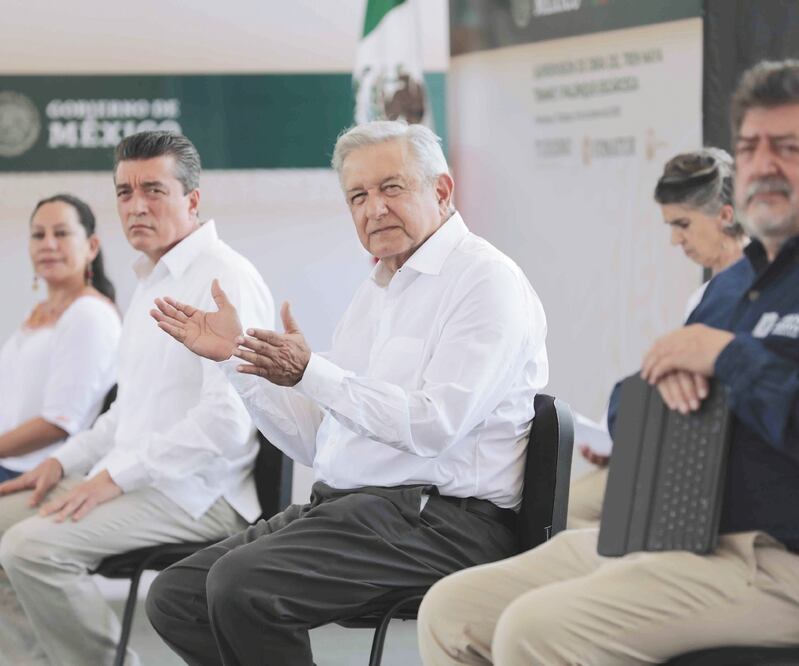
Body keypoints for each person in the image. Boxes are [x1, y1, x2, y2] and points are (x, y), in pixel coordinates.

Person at [418, 59, 799, 665]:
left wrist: (727, 357)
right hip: (676, 530)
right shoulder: (733, 287)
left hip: (774, 558)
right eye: (751, 147)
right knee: (452, 610)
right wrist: (668, 375)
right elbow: (635, 396)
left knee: (534, 630)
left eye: (788, 146)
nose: (766, 163)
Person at [145, 120, 549, 666]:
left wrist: (312, 372)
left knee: (243, 587)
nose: (373, 208)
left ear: (442, 191)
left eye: (392, 187)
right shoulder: (377, 287)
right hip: (352, 508)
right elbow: (319, 444)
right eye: (358, 195)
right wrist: (237, 363)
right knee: (177, 597)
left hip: (444, 520)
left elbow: (435, 426)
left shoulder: (486, 281)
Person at [0, 131, 274, 666]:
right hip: (138, 475)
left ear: (192, 200)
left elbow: (227, 423)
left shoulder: (224, 278)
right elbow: (125, 414)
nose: (136, 206)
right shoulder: (150, 282)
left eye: (153, 189)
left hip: (200, 494)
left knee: (29, 550)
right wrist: (63, 461)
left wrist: (113, 478)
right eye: (124, 192)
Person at [568, 147, 748, 529]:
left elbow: (681, 395)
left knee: (565, 514)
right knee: (563, 508)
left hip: (700, 472)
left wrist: (625, 426)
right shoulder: (705, 296)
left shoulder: (740, 293)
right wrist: (619, 442)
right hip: (667, 453)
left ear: (725, 216)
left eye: (682, 224)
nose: (674, 240)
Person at [0, 194, 120, 484]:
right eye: (38, 235)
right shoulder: (38, 312)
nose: (48, 244)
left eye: (62, 233)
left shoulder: (89, 314)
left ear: (91, 247)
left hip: (38, 474)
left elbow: (60, 423)